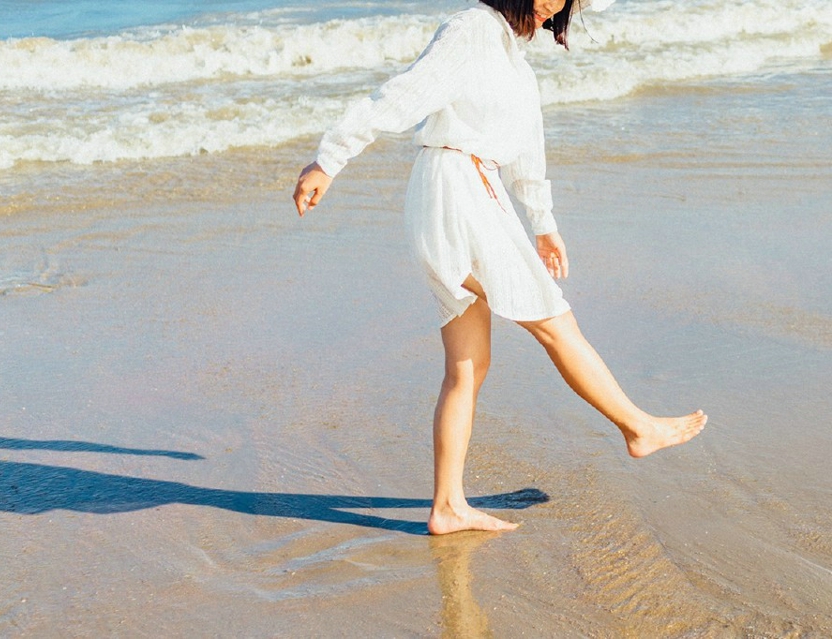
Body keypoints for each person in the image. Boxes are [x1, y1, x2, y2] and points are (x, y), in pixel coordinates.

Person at [292, 0, 707, 535]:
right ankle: (637, 427)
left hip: (475, 190)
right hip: (455, 193)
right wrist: (329, 158)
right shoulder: (472, 29)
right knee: (555, 322)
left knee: (468, 366)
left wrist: (544, 223)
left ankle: (447, 506)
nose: (554, 1)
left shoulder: (518, 64)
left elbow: (527, 154)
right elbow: (402, 94)